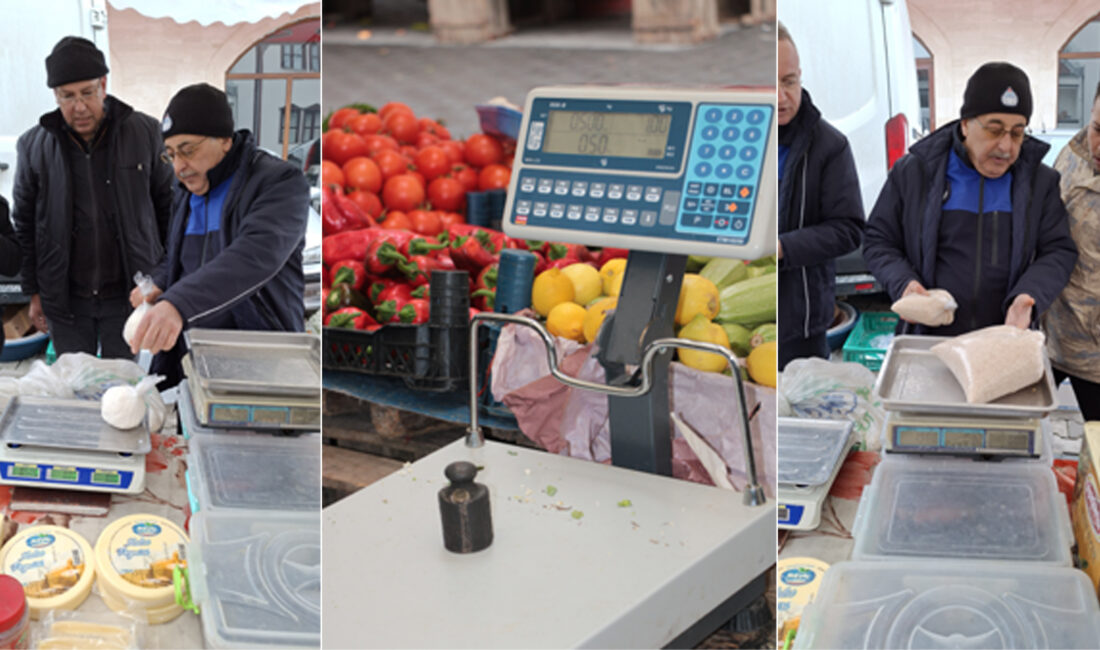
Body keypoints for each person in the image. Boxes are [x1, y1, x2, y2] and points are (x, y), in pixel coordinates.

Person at [864, 62, 1077, 335]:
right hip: (929, 339)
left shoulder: (1040, 182)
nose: (1006, 146)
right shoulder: (915, 173)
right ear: (965, 124)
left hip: (1004, 340)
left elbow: (1058, 250)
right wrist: (904, 284)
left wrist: (1029, 296)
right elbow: (878, 240)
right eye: (994, 129)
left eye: (1017, 132)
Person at [129, 83, 308, 387]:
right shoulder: (187, 191)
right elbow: (180, 257)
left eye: (188, 150)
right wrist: (160, 282)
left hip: (259, 355)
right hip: (193, 354)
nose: (179, 167)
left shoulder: (278, 183)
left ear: (225, 140)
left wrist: (177, 303)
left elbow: (253, 257)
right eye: (170, 155)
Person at [12, 36, 174, 358]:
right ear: (55, 96)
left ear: (103, 84)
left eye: (87, 93)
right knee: (75, 391)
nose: (80, 107)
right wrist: (33, 292)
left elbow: (170, 210)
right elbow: (25, 224)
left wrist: (166, 280)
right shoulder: (34, 146)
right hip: (66, 299)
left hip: (129, 295)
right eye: (67, 96)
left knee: (121, 390)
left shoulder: (145, 133)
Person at [776, 22, 864, 370]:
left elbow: (849, 228)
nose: (782, 97)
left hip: (801, 322)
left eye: (789, 81)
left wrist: (785, 247)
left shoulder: (830, 146)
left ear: (801, 76)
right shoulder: (727, 142)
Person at [1043, 82, 1100, 419]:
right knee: (1019, 442)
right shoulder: (1074, 152)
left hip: (1096, 360)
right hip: (1050, 339)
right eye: (1097, 128)